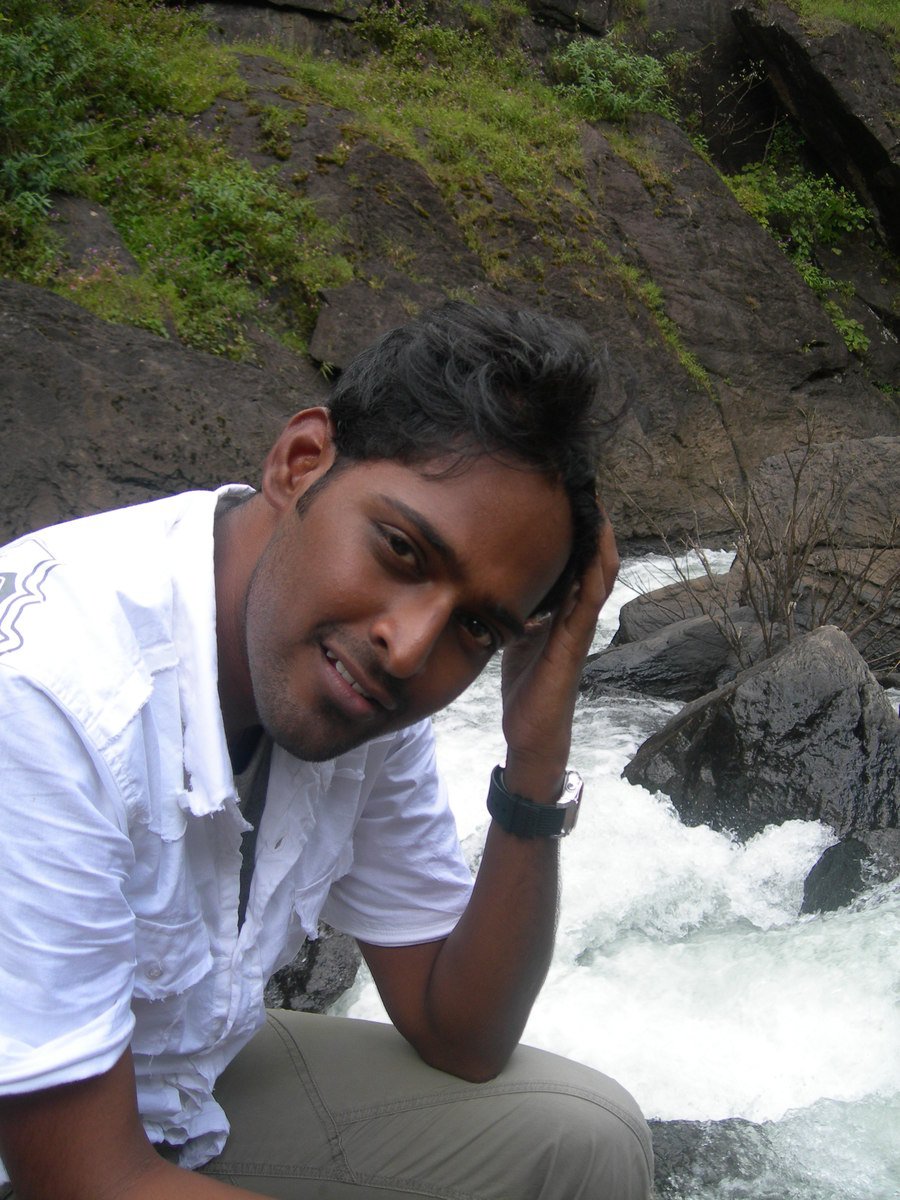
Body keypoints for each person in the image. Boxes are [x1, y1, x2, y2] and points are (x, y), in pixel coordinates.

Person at [0, 303, 653, 1199]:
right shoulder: (47, 696)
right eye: (402, 550)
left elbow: (459, 1031)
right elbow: (82, 1182)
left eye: (475, 626)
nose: (414, 647)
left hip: (177, 1091)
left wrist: (535, 754)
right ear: (300, 463)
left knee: (583, 1140)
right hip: (55, 1155)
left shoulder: (356, 678)